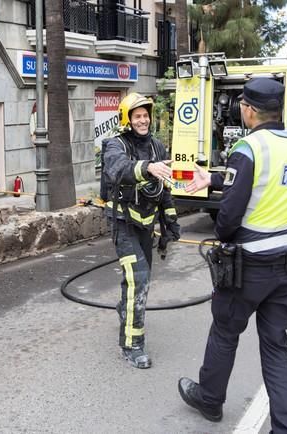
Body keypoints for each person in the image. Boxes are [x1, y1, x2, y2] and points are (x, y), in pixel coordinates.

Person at [177, 77, 287, 433]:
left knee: (225, 331)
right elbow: (269, 185)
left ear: (249, 110)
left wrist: (222, 238)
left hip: (250, 263)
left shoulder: (249, 148)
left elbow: (230, 215)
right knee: (276, 346)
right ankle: (286, 428)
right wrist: (214, 180)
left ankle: (210, 401)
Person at [101, 92, 180, 369]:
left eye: (146, 115)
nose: (143, 120)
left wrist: (170, 222)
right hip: (123, 222)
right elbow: (118, 170)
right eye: (138, 116)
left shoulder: (158, 147)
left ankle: (126, 310)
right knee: (140, 277)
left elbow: (164, 190)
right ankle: (133, 344)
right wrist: (147, 167)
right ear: (127, 119)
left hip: (146, 224)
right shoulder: (115, 145)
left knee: (137, 278)